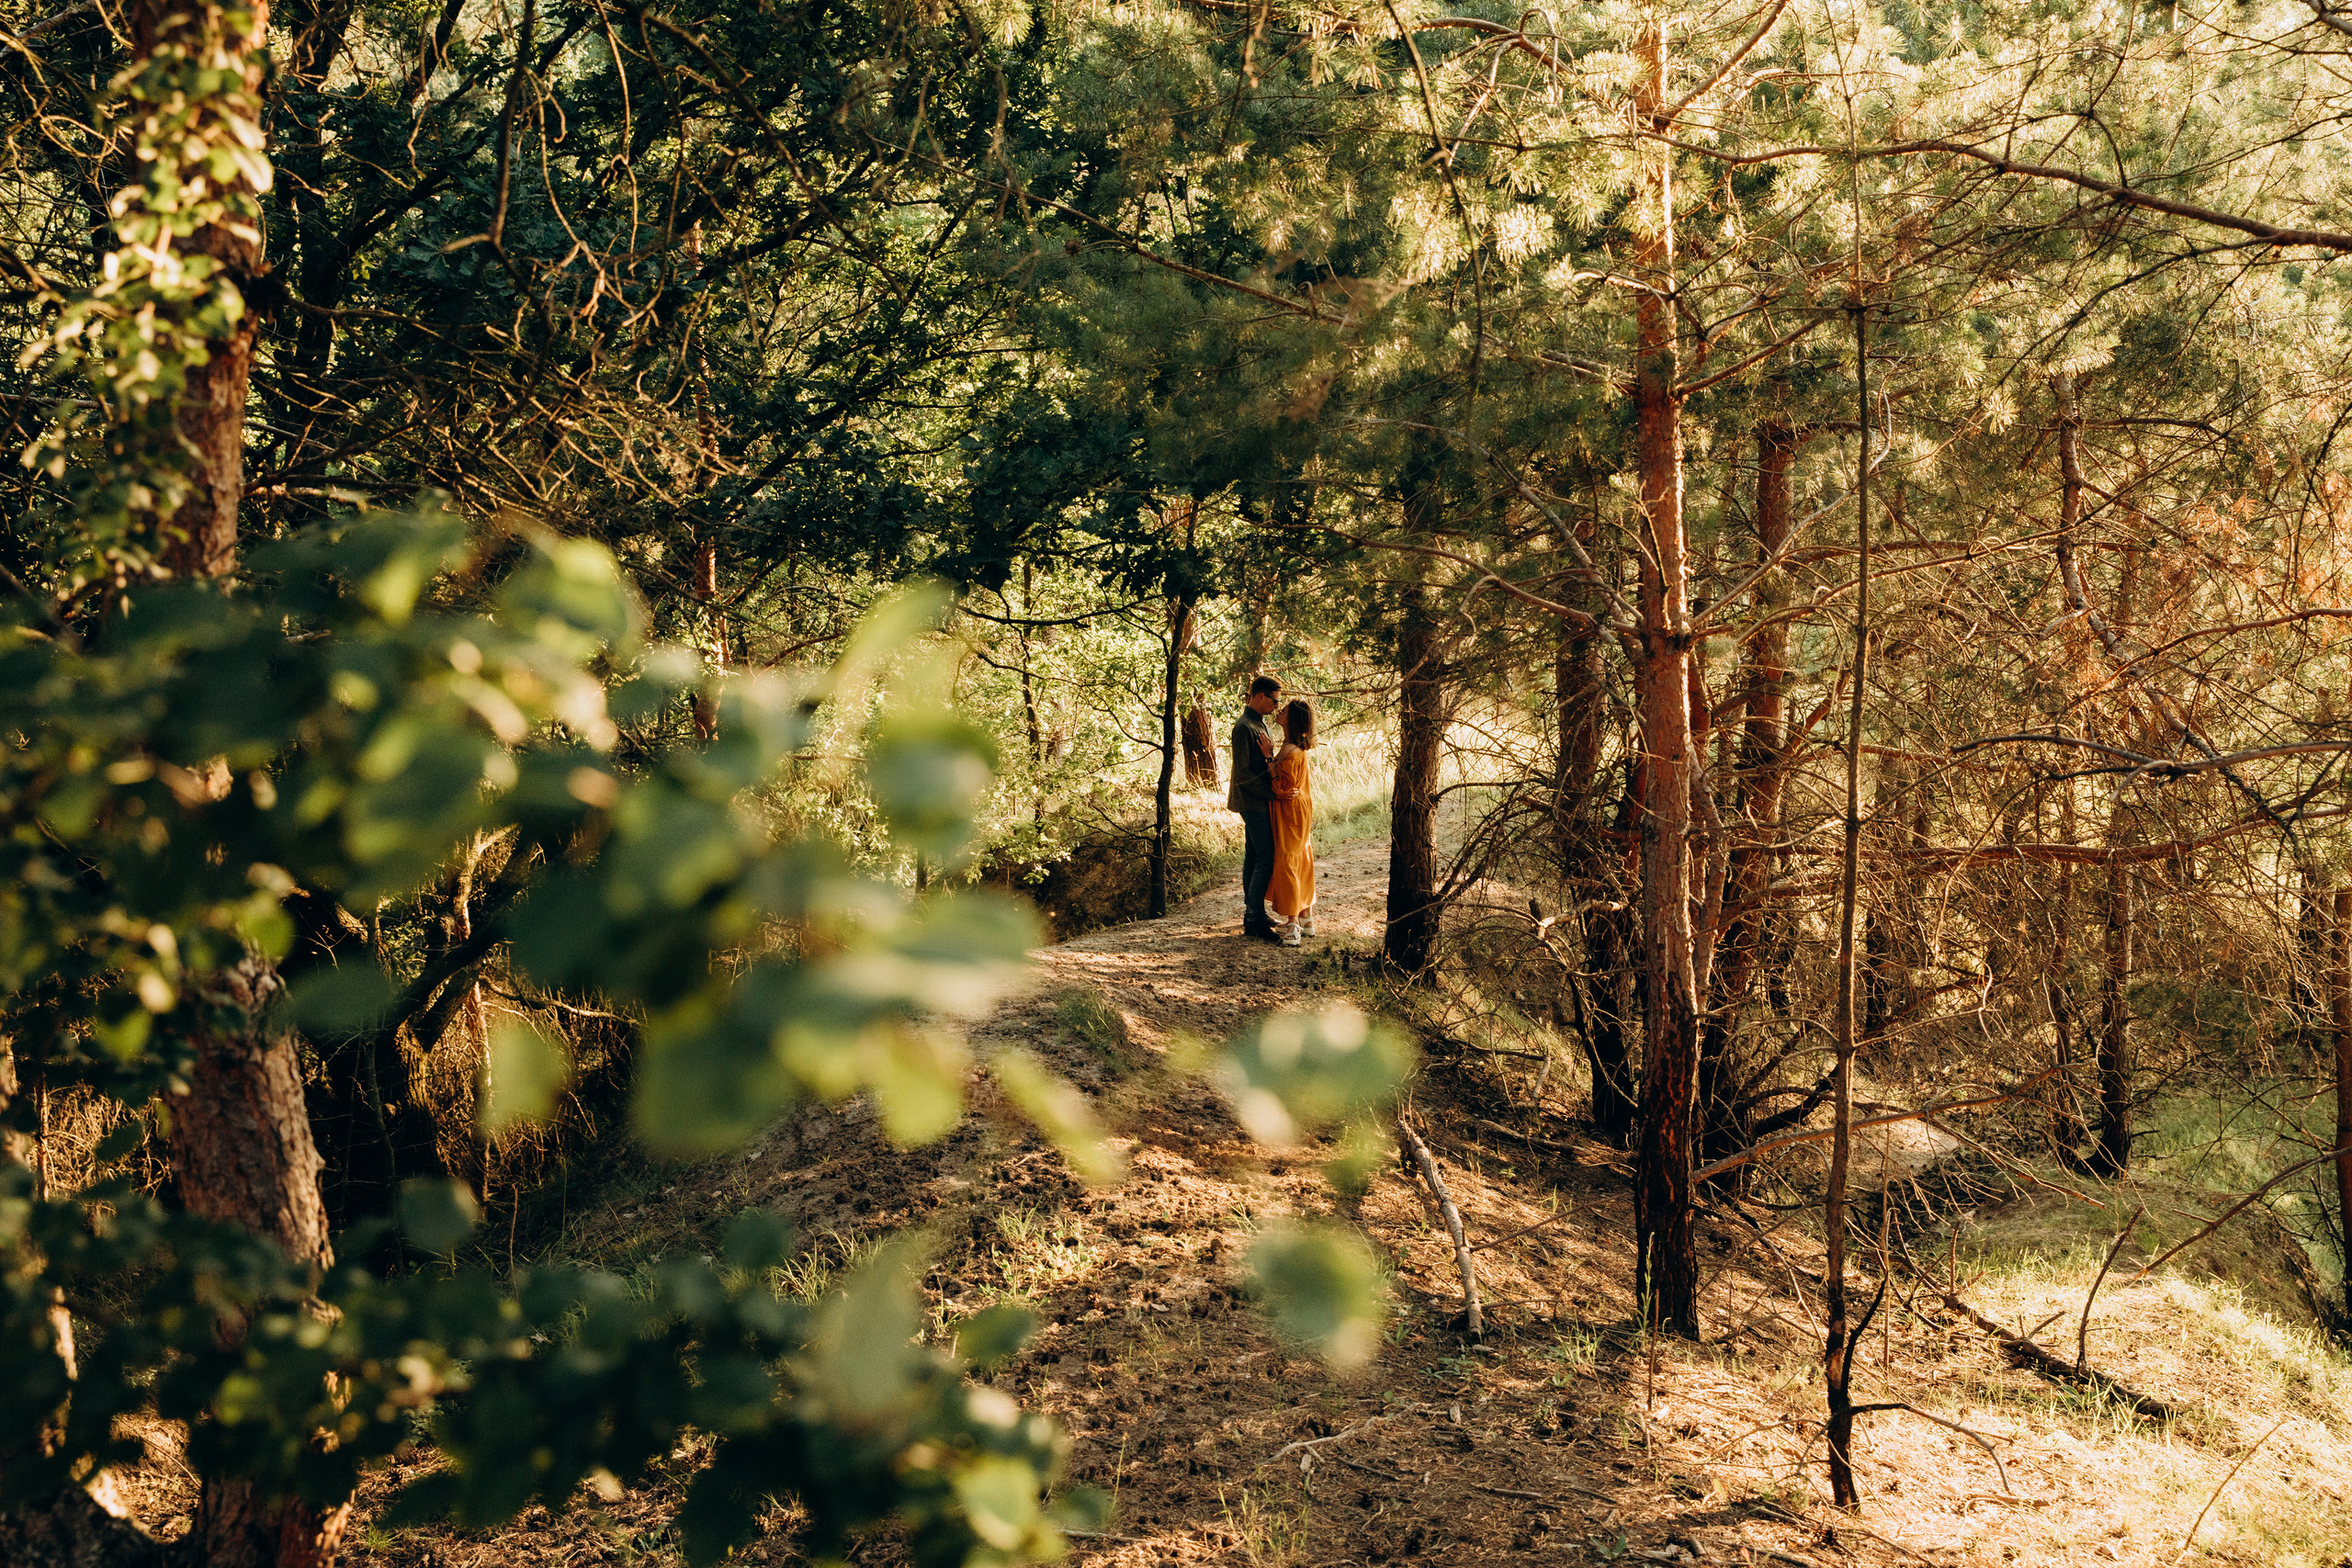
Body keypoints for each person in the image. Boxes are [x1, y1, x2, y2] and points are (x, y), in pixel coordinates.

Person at [1226, 674, 1283, 941]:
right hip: (1253, 802)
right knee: (1266, 857)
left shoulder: (1258, 723)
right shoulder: (1244, 727)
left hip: (1259, 801)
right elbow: (1243, 774)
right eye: (1274, 700)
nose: (1276, 706)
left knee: (1253, 856)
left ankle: (1254, 913)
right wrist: (1272, 794)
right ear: (1259, 696)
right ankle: (1254, 919)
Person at [1266, 699, 1317, 945]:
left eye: (1283, 710)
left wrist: (1269, 761)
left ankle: (1293, 924)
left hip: (1291, 810)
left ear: (1292, 719)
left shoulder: (1291, 751)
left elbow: (1283, 788)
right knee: (1300, 856)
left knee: (1288, 859)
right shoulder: (1294, 745)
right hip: (1300, 808)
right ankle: (1306, 918)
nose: (1279, 711)